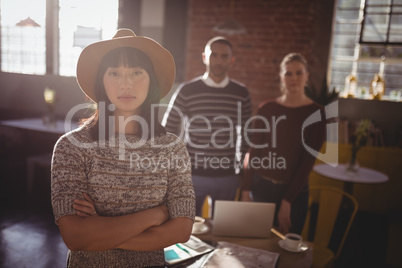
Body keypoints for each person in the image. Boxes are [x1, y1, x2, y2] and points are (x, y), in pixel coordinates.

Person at [51, 29, 195, 267]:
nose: (126, 83)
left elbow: (181, 231)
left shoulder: (172, 148)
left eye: (137, 72)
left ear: (152, 81)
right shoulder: (72, 147)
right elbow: (75, 237)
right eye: (114, 73)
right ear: (101, 81)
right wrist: (157, 214)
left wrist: (99, 232)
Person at [162, 36, 252, 216]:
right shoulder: (187, 90)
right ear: (205, 57)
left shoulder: (241, 93)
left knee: (222, 232)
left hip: (228, 176)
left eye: (224, 56)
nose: (218, 61)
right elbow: (168, 130)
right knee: (188, 230)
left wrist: (240, 173)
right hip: (193, 175)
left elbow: (246, 135)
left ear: (231, 60)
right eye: (214, 55)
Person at [241, 53, 326, 235]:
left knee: (287, 253)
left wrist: (287, 201)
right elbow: (254, 151)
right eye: (288, 73)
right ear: (281, 77)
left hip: (294, 193)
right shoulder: (267, 108)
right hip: (261, 189)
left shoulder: (318, 113)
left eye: (298, 73)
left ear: (307, 76)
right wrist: (246, 190)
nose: (293, 78)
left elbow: (307, 163)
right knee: (256, 247)